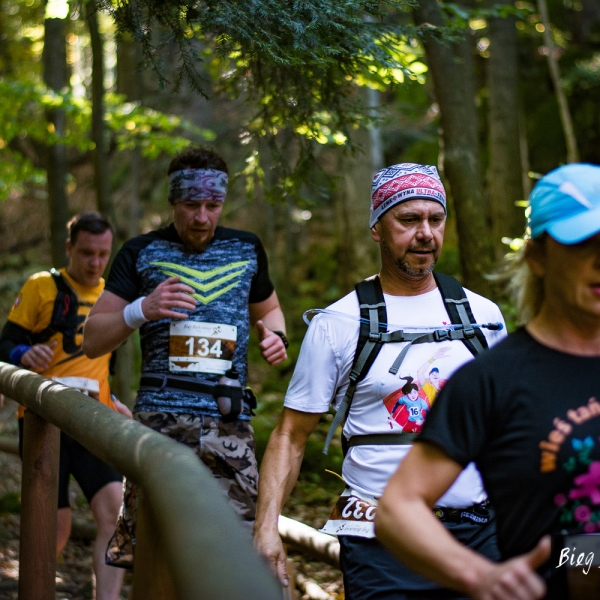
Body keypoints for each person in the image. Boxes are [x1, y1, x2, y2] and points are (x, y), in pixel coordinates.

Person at [253, 163, 506, 599]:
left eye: (436, 219)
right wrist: (266, 527)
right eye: (408, 220)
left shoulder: (482, 316)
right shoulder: (338, 323)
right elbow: (291, 435)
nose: (425, 233)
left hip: (478, 535)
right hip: (378, 541)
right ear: (376, 228)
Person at [375, 163, 600, 600]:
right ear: (538, 258)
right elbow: (399, 508)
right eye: (582, 244)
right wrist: (480, 576)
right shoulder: (493, 381)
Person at [82, 146, 287, 563]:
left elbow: (270, 310)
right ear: (173, 201)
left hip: (229, 422)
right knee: (156, 552)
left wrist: (276, 336)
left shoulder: (246, 248)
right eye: (191, 205)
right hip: (161, 423)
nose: (202, 217)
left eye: (213, 205)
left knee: (235, 553)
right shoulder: (141, 252)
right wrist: (142, 309)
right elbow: (92, 339)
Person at [0, 212, 131, 600]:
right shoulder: (42, 285)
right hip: (44, 418)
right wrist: (24, 353)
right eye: (87, 253)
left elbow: (102, 364)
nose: (95, 263)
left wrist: (113, 399)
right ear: (69, 248)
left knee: (114, 514)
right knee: (54, 526)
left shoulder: (112, 296)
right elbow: (5, 343)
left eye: (103, 254)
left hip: (95, 419)